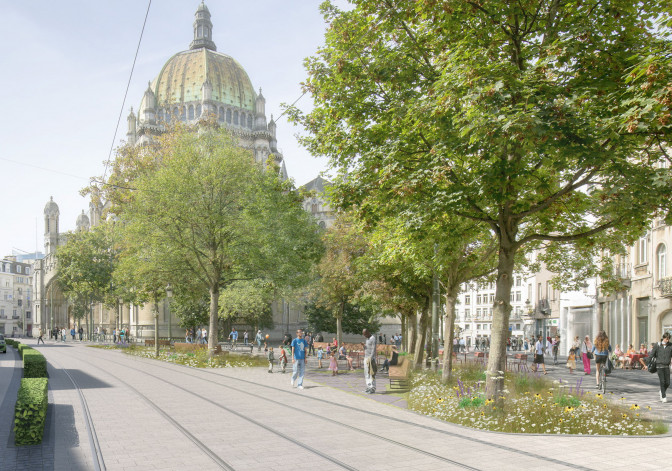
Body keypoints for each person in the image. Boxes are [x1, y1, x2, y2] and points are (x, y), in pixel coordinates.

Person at [644, 332, 672, 402]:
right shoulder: (658, 345)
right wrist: (646, 364)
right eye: (666, 339)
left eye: (668, 339)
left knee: (668, 382)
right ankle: (663, 396)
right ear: (663, 338)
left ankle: (661, 391)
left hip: (666, 366)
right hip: (659, 366)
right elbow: (651, 355)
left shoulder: (670, 345)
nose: (667, 340)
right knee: (662, 381)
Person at [362, 328, 377, 393]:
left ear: (368, 332)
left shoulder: (373, 338)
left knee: (371, 373)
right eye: (364, 335)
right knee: (366, 373)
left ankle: (372, 388)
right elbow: (367, 348)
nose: (364, 336)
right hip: (366, 358)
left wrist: (371, 358)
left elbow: (374, 349)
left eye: (365, 334)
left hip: (370, 358)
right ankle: (368, 387)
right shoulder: (367, 339)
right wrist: (364, 346)